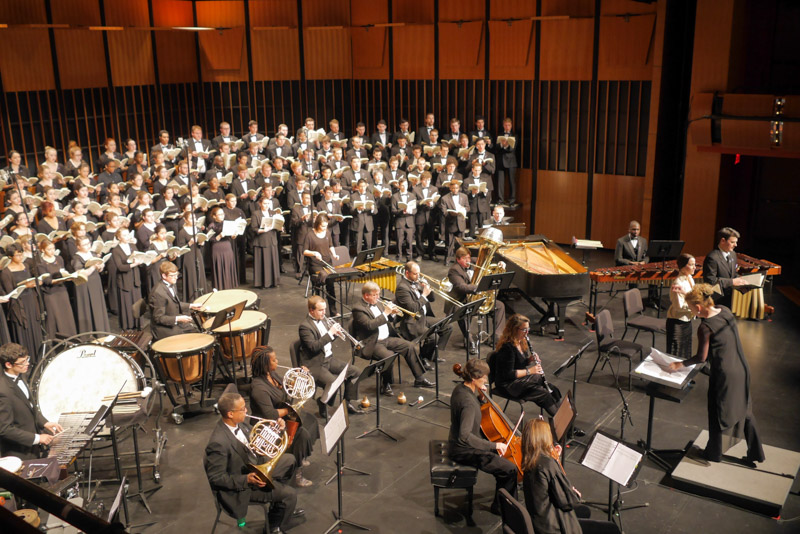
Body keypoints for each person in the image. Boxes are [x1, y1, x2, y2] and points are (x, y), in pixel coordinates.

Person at [668, 284, 765, 465]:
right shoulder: (724, 310)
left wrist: (680, 363)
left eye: (691, 308)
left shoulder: (705, 327)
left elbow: (701, 357)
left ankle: (713, 454)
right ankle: (756, 453)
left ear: (698, 307)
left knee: (716, 410)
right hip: (742, 368)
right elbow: (708, 293)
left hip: (725, 374)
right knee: (746, 410)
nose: (691, 312)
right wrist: (685, 293)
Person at [204, 392, 301, 533]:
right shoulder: (218, 443)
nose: (246, 411)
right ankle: (275, 527)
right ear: (230, 414)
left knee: (290, 460)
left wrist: (277, 429)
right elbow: (216, 478)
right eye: (242, 409)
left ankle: (280, 509)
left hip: (254, 465)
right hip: (242, 487)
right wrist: (247, 480)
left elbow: (257, 440)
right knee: (290, 494)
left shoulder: (240, 423)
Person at [522, 419, 620, 534]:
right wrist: (574, 494)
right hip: (554, 526)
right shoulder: (548, 464)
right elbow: (568, 502)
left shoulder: (530, 460)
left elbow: (547, 487)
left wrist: (554, 460)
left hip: (539, 520)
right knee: (611, 529)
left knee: (584, 511)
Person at [450, 358, 517, 515]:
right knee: (510, 469)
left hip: (460, 443)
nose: (486, 380)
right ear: (474, 379)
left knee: (505, 463)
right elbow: (464, 436)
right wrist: (494, 445)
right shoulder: (468, 403)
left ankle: (503, 502)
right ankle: (502, 507)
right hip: (464, 450)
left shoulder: (460, 389)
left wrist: (480, 398)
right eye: (484, 377)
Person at [249, 346, 320, 487]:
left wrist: (301, 376)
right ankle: (297, 473)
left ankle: (301, 454)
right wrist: (290, 410)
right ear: (265, 365)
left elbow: (288, 387)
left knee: (310, 421)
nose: (277, 361)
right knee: (302, 435)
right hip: (268, 426)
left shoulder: (272, 375)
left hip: (281, 418)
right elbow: (271, 414)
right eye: (274, 360)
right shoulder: (258, 388)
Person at [352, 282, 434, 396]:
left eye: (378, 294)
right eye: (375, 295)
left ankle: (419, 378)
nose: (378, 297)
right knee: (388, 356)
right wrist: (386, 313)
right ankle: (385, 385)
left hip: (387, 338)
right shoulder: (358, 309)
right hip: (373, 342)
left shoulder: (378, 303)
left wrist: (393, 314)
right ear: (366, 296)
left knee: (409, 346)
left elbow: (387, 320)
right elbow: (370, 325)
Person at [297, 296, 364, 416]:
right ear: (311, 310)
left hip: (329, 359)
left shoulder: (322, 320)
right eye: (320, 310)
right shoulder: (305, 327)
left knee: (355, 372)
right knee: (333, 382)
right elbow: (314, 347)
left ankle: (347, 402)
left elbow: (326, 340)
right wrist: (330, 333)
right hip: (315, 363)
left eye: (325, 309)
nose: (324, 313)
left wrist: (335, 335)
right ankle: (323, 402)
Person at [0, 343, 64, 459]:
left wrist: (44, 422)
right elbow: (4, 429)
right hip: (18, 453)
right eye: (22, 362)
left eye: (27, 359)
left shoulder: (20, 376)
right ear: (8, 364)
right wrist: (37, 438)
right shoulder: (2, 391)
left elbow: (29, 406)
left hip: (32, 449)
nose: (27, 364)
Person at [491, 314, 560, 416]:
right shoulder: (507, 348)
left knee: (552, 389)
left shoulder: (521, 341)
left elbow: (518, 364)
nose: (527, 332)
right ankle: (562, 424)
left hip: (519, 381)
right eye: (524, 330)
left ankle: (564, 419)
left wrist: (529, 360)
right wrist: (530, 371)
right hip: (508, 385)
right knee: (543, 392)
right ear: (514, 329)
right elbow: (508, 374)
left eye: (528, 329)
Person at [446, 247, 507, 354]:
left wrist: (500, 264)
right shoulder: (454, 270)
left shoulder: (473, 262)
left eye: (469, 258)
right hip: (461, 301)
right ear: (458, 259)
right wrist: (480, 287)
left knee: (500, 306)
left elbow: (488, 260)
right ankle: (469, 342)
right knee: (462, 310)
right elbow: (462, 287)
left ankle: (496, 337)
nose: (468, 261)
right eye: (465, 259)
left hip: (476, 299)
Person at [394, 261, 452, 368]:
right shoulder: (402, 288)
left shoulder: (416, 281)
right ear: (407, 273)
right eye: (415, 274)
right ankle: (422, 358)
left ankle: (432, 354)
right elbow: (412, 308)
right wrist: (424, 294)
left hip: (423, 317)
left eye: (419, 273)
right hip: (412, 322)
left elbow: (432, 299)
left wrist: (428, 288)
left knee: (447, 326)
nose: (418, 276)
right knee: (433, 337)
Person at [1, 244, 43, 362]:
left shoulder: (25, 265)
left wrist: (35, 283)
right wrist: (25, 286)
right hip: (19, 305)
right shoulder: (6, 271)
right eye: (17, 255)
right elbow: (10, 292)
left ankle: (39, 357)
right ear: (10, 256)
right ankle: (27, 360)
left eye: (21, 254)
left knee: (35, 326)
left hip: (30, 300)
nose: (20, 257)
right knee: (24, 330)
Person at [149, 262, 204, 341]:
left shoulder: (172, 284)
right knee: (191, 340)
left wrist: (191, 305)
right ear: (164, 276)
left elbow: (174, 304)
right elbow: (158, 318)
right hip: (164, 328)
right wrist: (178, 319)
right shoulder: (158, 293)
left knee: (197, 333)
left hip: (174, 320)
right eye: (172, 275)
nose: (176, 278)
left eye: (176, 274)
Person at [36, 239, 77, 339]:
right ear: (42, 250)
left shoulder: (59, 258)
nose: (52, 251)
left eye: (53, 248)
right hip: (51, 294)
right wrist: (60, 279)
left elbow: (63, 271)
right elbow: (47, 281)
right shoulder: (40, 263)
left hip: (62, 291)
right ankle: (57, 341)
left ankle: (71, 338)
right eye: (49, 249)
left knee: (66, 315)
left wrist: (68, 277)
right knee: (54, 317)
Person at [72, 235, 111, 333]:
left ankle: (101, 330)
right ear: (78, 246)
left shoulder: (92, 254)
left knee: (98, 306)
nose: (87, 246)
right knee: (88, 308)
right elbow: (82, 273)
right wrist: (93, 267)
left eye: (88, 243)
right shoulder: (76, 258)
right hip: (85, 286)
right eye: (84, 244)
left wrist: (101, 266)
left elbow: (99, 269)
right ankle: (91, 333)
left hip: (95, 283)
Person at [302, 214, 340, 315]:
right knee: (318, 287)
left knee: (331, 287)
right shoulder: (310, 235)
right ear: (317, 224)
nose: (325, 228)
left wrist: (334, 254)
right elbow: (304, 251)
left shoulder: (327, 232)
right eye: (322, 226)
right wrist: (314, 253)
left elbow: (330, 245)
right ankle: (316, 312)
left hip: (327, 262)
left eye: (326, 225)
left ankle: (333, 311)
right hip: (315, 265)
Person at [703, 227, 748, 308]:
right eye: (732, 242)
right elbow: (710, 280)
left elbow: (733, 274)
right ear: (723, 241)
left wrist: (741, 284)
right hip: (715, 301)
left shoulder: (732, 254)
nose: (736, 245)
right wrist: (732, 282)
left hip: (728, 299)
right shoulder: (712, 257)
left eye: (736, 242)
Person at [111, 229, 144, 330]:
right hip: (125, 280)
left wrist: (141, 260)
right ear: (119, 237)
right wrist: (133, 264)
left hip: (135, 278)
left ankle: (139, 324)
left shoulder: (132, 246)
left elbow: (139, 259)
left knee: (137, 302)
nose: (127, 237)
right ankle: (128, 325)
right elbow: (120, 267)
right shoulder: (116, 250)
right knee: (127, 304)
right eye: (124, 235)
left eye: (128, 235)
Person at [666, 253, 696, 360]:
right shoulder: (678, 283)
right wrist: (695, 306)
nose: (694, 267)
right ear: (683, 266)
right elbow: (679, 307)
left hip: (687, 320)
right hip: (677, 322)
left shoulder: (690, 278)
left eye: (694, 264)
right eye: (691, 265)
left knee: (686, 352)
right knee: (676, 355)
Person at [206, 206, 239, 290]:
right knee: (219, 267)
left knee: (228, 265)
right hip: (217, 248)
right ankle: (220, 287)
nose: (222, 216)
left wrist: (234, 236)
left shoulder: (227, 223)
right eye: (220, 214)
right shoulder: (211, 225)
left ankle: (230, 285)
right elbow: (209, 239)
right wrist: (219, 236)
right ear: (214, 216)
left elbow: (231, 236)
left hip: (227, 246)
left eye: (223, 214)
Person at [495, 117, 518, 207]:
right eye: (505, 125)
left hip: (511, 161)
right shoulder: (500, 135)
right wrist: (501, 144)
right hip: (501, 161)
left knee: (512, 181)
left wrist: (505, 146)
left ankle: (512, 200)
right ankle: (500, 199)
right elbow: (496, 148)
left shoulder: (515, 136)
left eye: (508, 125)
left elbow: (512, 148)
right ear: (503, 125)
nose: (507, 127)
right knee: (500, 181)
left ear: (511, 126)